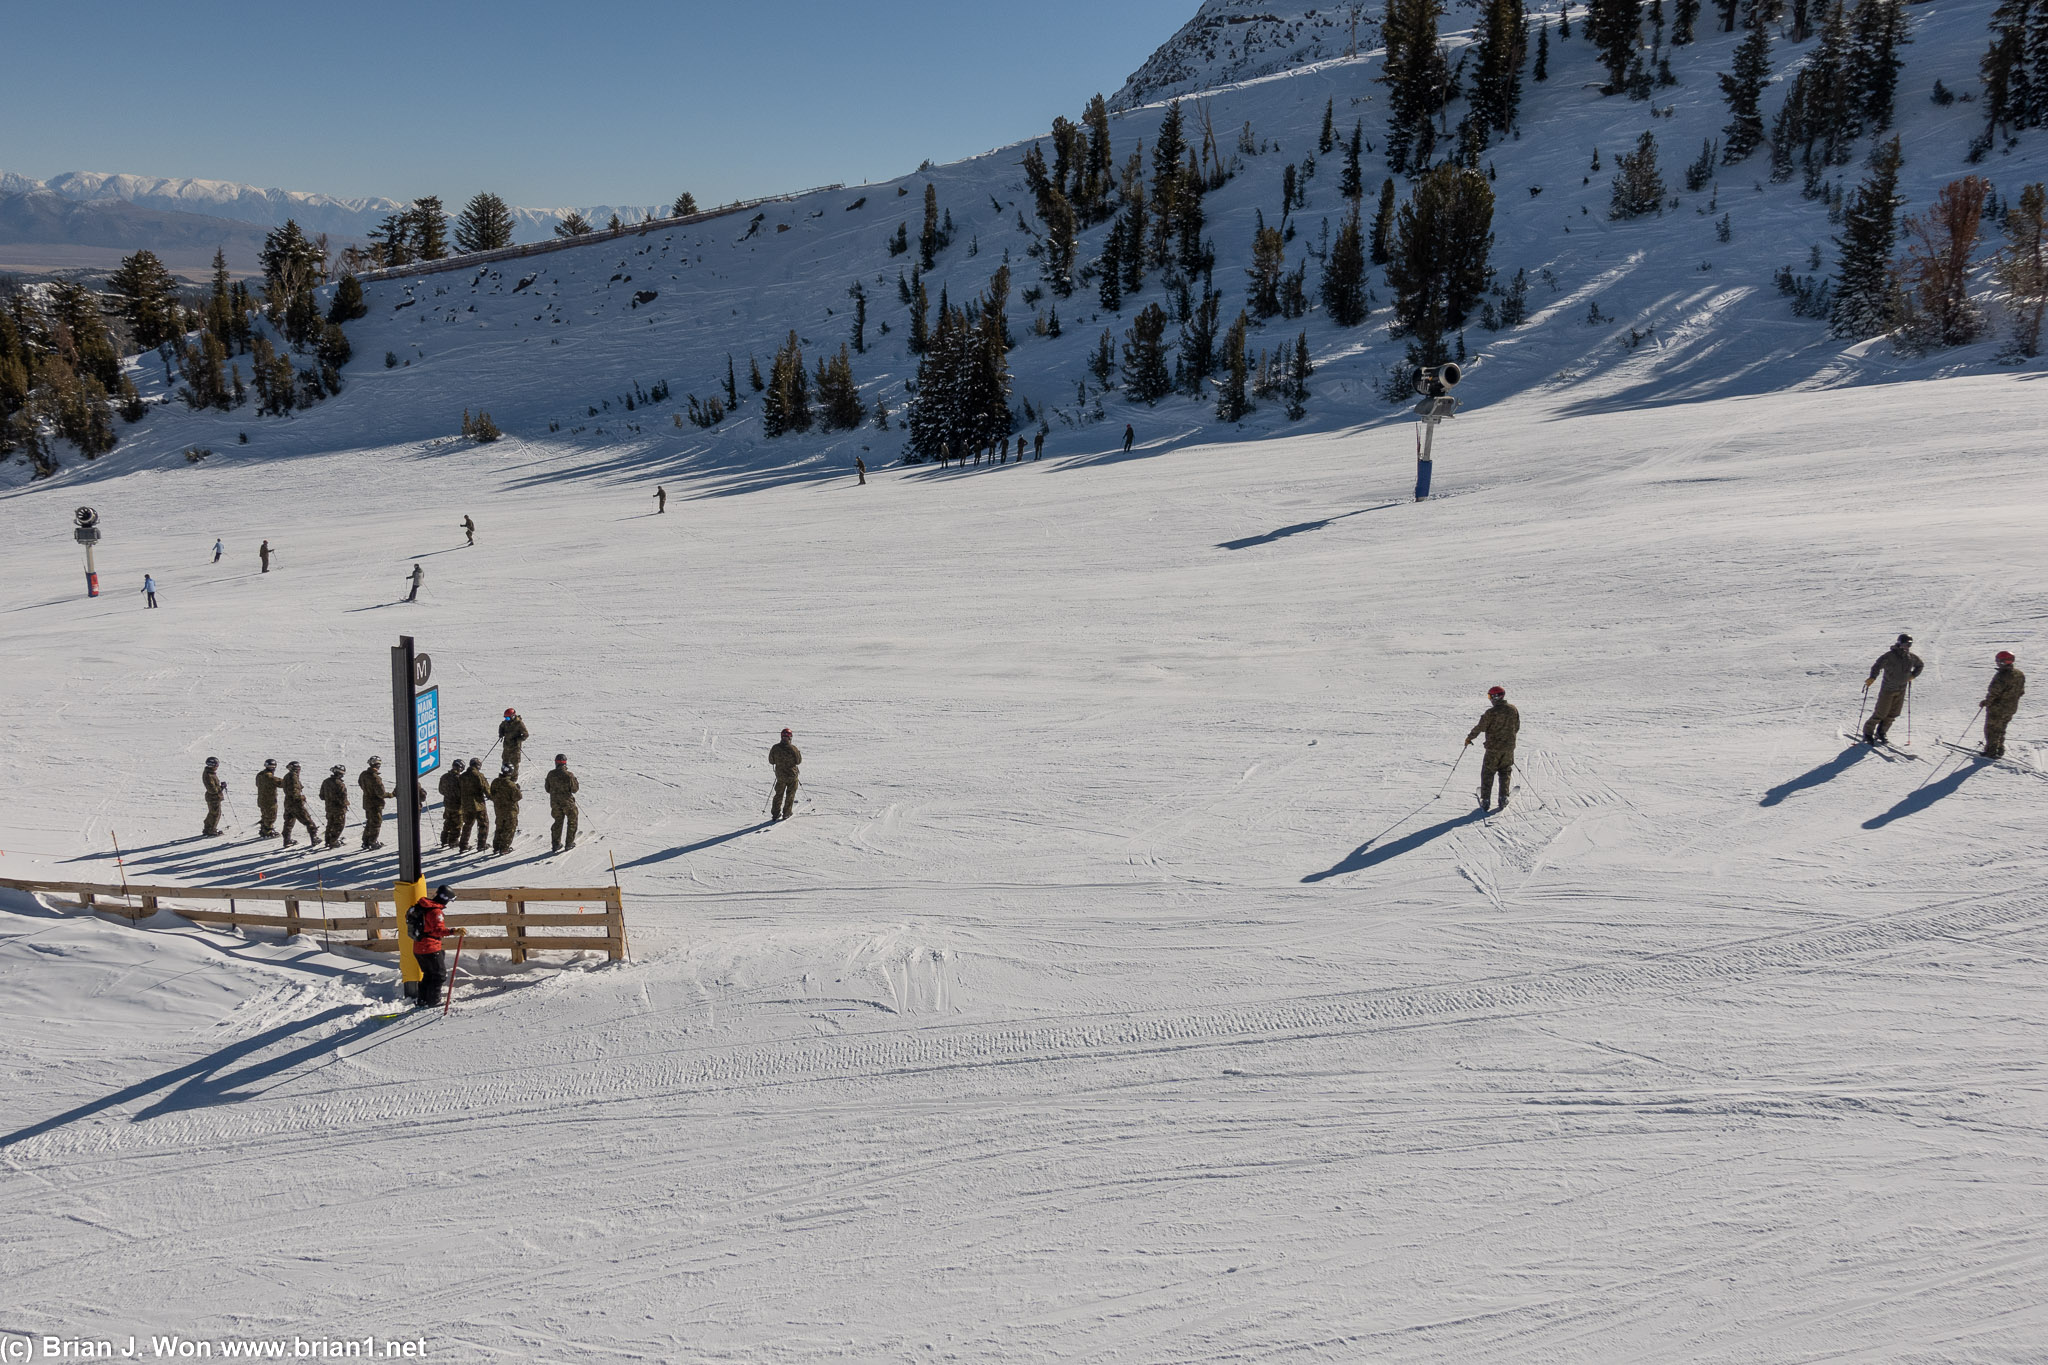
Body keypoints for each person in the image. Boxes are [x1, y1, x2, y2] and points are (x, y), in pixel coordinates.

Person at [1466, 686, 1522, 812]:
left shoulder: (1491, 713)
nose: (1490, 699)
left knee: (1488, 773)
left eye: (1490, 696)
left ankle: (1486, 800)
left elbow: (1480, 727)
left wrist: (1470, 738)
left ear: (1496, 697)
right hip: (1508, 748)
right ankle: (1503, 797)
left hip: (1493, 749)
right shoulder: (1513, 709)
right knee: (1505, 771)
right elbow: (1517, 727)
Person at [1861, 633, 1924, 744]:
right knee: (1881, 713)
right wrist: (1872, 677)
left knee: (1894, 713)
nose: (1907, 647)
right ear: (1899, 643)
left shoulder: (1910, 658)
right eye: (1905, 644)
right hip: (1888, 689)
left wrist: (1912, 675)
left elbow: (1920, 665)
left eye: (1909, 645)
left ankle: (1881, 732)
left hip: (1901, 689)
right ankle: (1868, 733)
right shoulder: (1889, 656)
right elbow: (1877, 666)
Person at [410, 884, 455, 1009]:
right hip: (430, 947)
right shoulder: (435, 911)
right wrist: (453, 931)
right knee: (439, 975)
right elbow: (437, 930)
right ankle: (433, 1001)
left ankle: (422, 1000)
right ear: (445, 898)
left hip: (418, 947)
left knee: (428, 974)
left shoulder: (422, 907)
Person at [1981, 650, 2027, 760]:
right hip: (2011, 707)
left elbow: (1994, 693)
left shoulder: (2001, 676)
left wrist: (1986, 703)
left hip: (1997, 708)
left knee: (1991, 729)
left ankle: (1991, 751)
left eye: (1998, 661)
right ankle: (2000, 748)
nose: (1996, 663)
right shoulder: (2020, 674)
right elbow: (2021, 692)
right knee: (2001, 728)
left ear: (2003, 662)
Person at [545, 753, 580, 852]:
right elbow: (575, 789)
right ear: (565, 763)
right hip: (568, 803)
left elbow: (547, 789)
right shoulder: (569, 775)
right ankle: (569, 843)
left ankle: (556, 844)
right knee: (572, 821)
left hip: (555, 803)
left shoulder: (551, 774)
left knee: (558, 822)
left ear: (556, 763)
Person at [280, 761, 318, 846]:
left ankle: (287, 840)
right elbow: (294, 792)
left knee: (288, 821)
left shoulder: (287, 776)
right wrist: (301, 798)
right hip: (295, 803)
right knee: (308, 820)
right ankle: (314, 838)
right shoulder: (293, 777)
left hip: (288, 802)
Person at [458, 757, 492, 852]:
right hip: (478, 805)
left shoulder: (462, 776)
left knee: (467, 824)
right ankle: (481, 845)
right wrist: (493, 797)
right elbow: (486, 789)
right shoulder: (479, 775)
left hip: (466, 805)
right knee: (483, 824)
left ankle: (463, 845)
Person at [770, 727, 802, 821]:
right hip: (792, 775)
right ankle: (786, 813)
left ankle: (775, 814)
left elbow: (771, 761)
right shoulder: (793, 749)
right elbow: (798, 761)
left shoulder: (775, 748)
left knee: (778, 794)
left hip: (780, 776)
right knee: (790, 794)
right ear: (790, 737)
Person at [489, 764, 522, 854]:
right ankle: (504, 848)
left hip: (499, 810)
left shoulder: (495, 782)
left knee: (499, 827)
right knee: (509, 829)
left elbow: (491, 793)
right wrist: (517, 789)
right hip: (510, 811)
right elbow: (518, 797)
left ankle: (496, 847)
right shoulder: (511, 785)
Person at [358, 755, 389, 850]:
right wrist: (392, 794)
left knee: (369, 821)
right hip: (376, 804)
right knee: (376, 823)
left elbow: (360, 783)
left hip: (367, 802)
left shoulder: (363, 774)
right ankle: (373, 842)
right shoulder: (375, 778)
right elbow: (381, 793)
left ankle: (366, 841)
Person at [319, 764, 350, 849]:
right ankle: (334, 841)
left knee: (330, 824)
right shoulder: (340, 784)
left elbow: (321, 796)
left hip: (329, 808)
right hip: (339, 808)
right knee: (339, 825)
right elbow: (343, 798)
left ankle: (328, 841)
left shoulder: (326, 781)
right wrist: (346, 803)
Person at [437, 763, 464, 847]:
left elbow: (441, 790)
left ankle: (444, 839)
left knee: (448, 820)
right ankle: (453, 841)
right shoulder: (459, 779)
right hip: (457, 805)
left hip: (447, 803)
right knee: (457, 823)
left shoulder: (444, 776)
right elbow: (462, 792)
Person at [255, 758, 281, 838]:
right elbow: (280, 783)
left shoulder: (260, 774)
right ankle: (268, 831)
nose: (272, 768)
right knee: (271, 816)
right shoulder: (269, 776)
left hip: (261, 799)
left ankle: (263, 829)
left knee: (264, 815)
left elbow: (257, 784)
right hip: (269, 800)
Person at [202, 757, 225, 836]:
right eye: (216, 765)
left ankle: (207, 828)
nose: (217, 766)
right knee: (215, 814)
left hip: (212, 797)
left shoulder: (210, 773)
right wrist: (221, 788)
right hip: (213, 797)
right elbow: (212, 789)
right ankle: (211, 830)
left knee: (212, 813)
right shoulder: (209, 775)